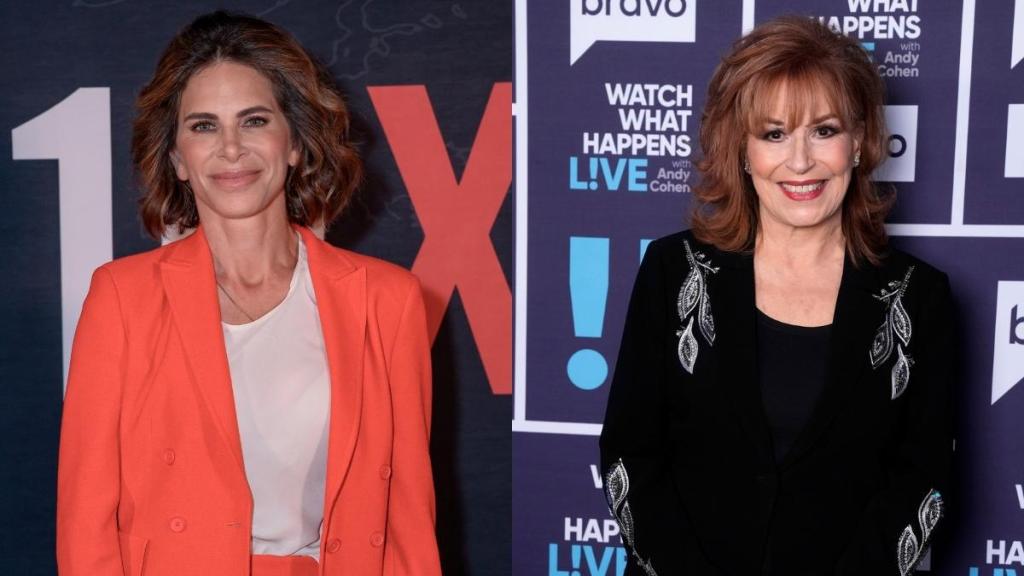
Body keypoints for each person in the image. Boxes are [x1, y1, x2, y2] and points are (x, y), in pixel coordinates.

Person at [56, 11, 441, 576]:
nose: (231, 148)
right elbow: (85, 522)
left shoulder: (388, 301)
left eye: (254, 120)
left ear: (294, 144)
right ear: (177, 158)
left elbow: (409, 521)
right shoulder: (121, 298)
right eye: (203, 126)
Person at [600, 16, 952, 576]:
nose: (800, 161)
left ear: (859, 142)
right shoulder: (673, 270)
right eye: (774, 134)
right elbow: (630, 456)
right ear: (742, 151)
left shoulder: (920, 297)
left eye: (824, 130)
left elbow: (924, 479)